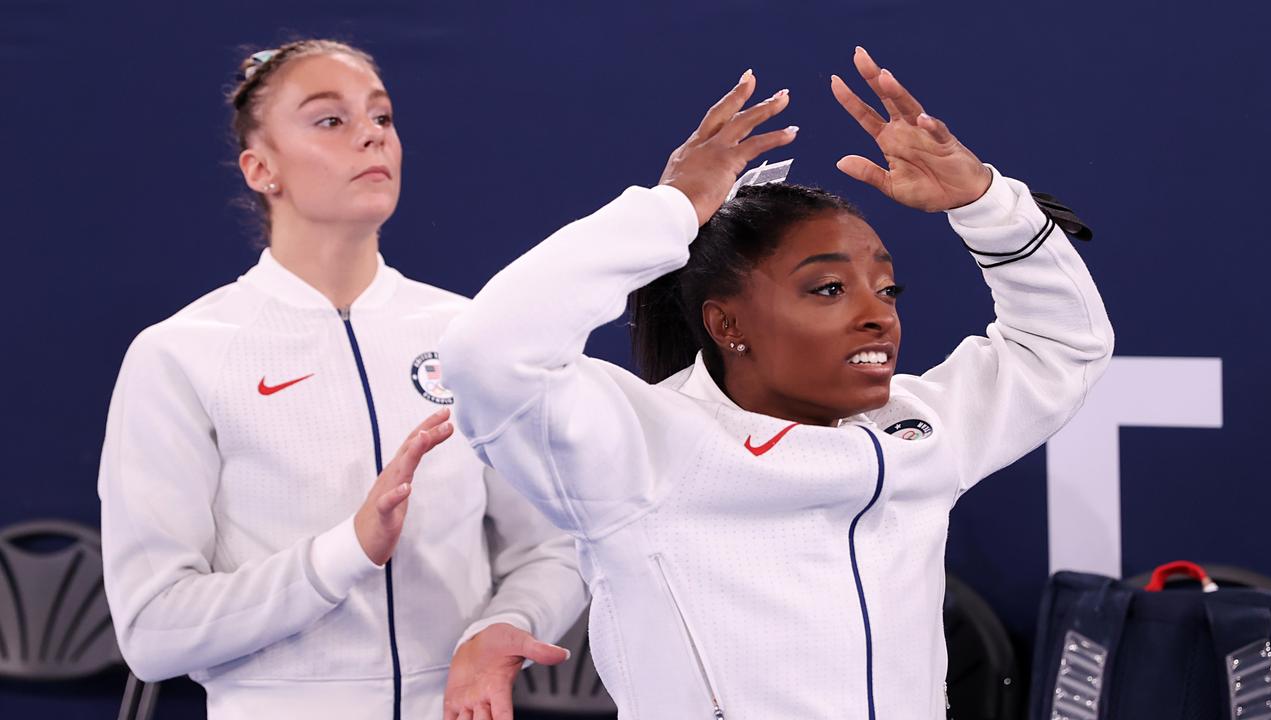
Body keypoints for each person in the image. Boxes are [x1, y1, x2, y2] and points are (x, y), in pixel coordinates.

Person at [439, 46, 1113, 718]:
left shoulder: (917, 430)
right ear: (728, 324)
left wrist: (990, 207)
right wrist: (671, 210)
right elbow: (488, 354)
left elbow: (1059, 346)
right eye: (827, 288)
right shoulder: (642, 450)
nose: (878, 315)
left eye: (887, 287)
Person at [98, 39, 587, 720]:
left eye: (382, 118)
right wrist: (345, 553)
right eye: (331, 120)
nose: (371, 138)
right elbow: (152, 631)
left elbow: (556, 544)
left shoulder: (471, 334)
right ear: (261, 168)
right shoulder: (180, 355)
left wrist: (499, 627)